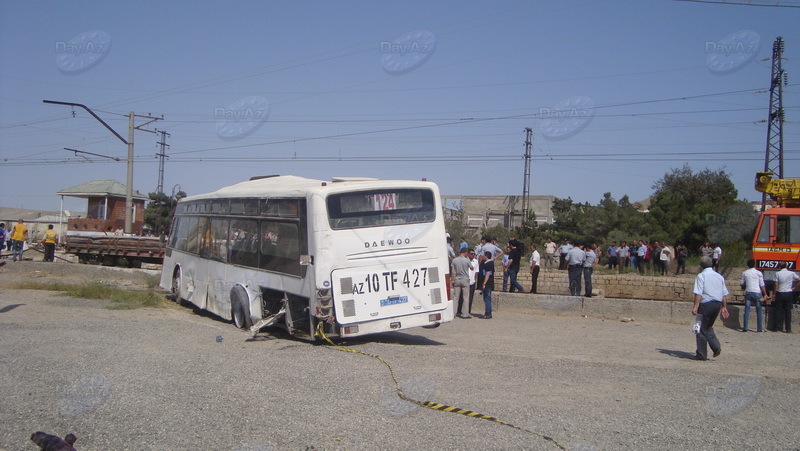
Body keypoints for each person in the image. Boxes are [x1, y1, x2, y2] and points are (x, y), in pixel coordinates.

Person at [692, 256, 730, 360]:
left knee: (700, 328)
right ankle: (716, 347)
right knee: (708, 326)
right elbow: (724, 294)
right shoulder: (719, 276)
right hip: (717, 304)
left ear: (701, 266)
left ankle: (701, 354)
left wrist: (695, 306)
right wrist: (724, 307)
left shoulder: (701, 276)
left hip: (706, 304)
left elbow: (698, 293)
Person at [771, 262, 800, 333]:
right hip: (789, 293)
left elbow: (776, 284)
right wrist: (794, 288)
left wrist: (774, 293)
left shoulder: (777, 273)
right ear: (787, 266)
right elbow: (799, 280)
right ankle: (788, 328)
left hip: (780, 292)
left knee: (778, 310)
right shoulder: (791, 273)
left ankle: (776, 328)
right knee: (788, 311)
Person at [740, 259, 767, 332]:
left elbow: (742, 283)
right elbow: (762, 284)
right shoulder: (759, 273)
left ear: (747, 265)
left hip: (748, 292)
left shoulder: (744, 273)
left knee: (747, 310)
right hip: (757, 292)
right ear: (754, 264)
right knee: (759, 311)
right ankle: (759, 328)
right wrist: (765, 294)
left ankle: (745, 328)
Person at [450, 247, 473, 318]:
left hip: (457, 278)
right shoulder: (467, 260)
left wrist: (452, 280)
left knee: (456, 297)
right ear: (465, 252)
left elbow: (453, 271)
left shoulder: (455, 260)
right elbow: (471, 268)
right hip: (465, 279)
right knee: (465, 297)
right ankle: (465, 314)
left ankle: (453, 313)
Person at [479, 251, 495, 319]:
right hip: (489, 283)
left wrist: (484, 283)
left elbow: (487, 274)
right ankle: (489, 312)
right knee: (487, 298)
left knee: (487, 298)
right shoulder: (491, 263)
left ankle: (488, 313)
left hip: (488, 283)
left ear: (486, 256)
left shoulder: (488, 264)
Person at [467, 249, 479, 315]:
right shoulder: (465, 261)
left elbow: (476, 272)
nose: (473, 255)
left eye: (474, 254)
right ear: (468, 254)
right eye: (471, 254)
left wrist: (475, 281)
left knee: (470, 297)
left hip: (472, 281)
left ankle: (468, 310)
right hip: (466, 281)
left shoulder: (476, 262)